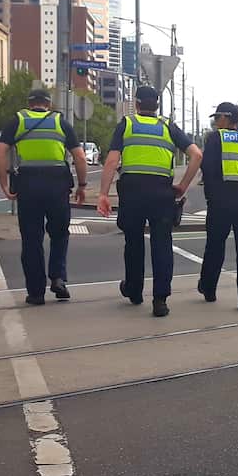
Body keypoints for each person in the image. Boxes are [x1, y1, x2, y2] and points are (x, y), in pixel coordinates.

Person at [96, 85, 202, 317]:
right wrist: (183, 186)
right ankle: (160, 300)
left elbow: (112, 161)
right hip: (162, 193)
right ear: (157, 104)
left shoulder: (127, 124)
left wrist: (103, 193)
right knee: (162, 245)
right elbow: (197, 155)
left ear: (137, 103)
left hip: (132, 193)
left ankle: (134, 290)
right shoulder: (168, 126)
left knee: (133, 242)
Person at [0, 87, 88, 305]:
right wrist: (82, 185)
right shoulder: (60, 123)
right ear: (48, 104)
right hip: (57, 185)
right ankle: (57, 278)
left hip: (28, 185)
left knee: (31, 239)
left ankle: (36, 293)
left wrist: (4, 183)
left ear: (30, 103)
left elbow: (0, 152)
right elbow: (80, 157)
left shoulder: (18, 121)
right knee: (59, 234)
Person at [197, 102, 238, 312]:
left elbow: (207, 168)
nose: (215, 122)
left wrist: (212, 194)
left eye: (217, 118)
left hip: (221, 202)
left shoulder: (215, 139)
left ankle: (208, 288)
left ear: (227, 118)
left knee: (215, 246)